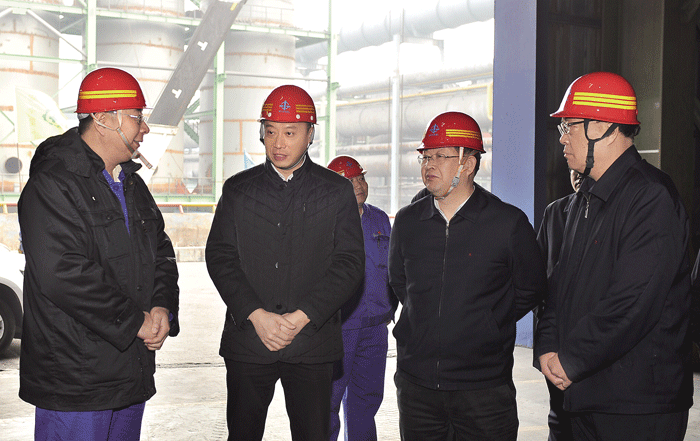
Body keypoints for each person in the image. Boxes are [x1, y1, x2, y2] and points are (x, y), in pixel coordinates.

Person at [18, 67, 180, 440]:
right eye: (137, 117)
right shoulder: (53, 184)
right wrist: (135, 322)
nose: (144, 128)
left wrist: (162, 307)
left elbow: (162, 253)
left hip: (129, 374)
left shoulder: (132, 184)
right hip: (76, 383)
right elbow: (64, 275)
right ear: (105, 119)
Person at [534, 72, 694, 441]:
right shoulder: (583, 200)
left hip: (634, 405)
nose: (562, 138)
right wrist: (547, 346)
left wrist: (571, 359)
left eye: (569, 126)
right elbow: (556, 288)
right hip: (580, 395)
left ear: (604, 127)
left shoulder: (651, 197)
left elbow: (633, 301)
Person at [205, 85, 365, 441]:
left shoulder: (335, 191)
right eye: (271, 131)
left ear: (310, 135)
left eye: (290, 133)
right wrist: (256, 314)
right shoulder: (238, 190)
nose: (278, 143)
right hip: (250, 340)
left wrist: (302, 316)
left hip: (312, 342)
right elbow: (220, 256)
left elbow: (349, 263)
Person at [388, 111, 546, 441]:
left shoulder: (507, 224)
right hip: (417, 387)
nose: (429, 165)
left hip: (483, 389)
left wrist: (487, 321)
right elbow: (401, 283)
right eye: (425, 157)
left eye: (440, 156)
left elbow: (530, 289)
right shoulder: (407, 222)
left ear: (468, 164)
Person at [326, 155, 396, 441]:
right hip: (336, 329)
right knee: (327, 402)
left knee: (366, 401)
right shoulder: (322, 224)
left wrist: (391, 309)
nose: (358, 185)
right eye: (350, 181)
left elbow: (394, 269)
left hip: (375, 327)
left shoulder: (379, 219)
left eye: (361, 178)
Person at [535, 168, 582, 441]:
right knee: (560, 418)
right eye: (572, 170)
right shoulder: (555, 212)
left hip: (590, 340)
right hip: (555, 338)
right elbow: (537, 274)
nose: (576, 175)